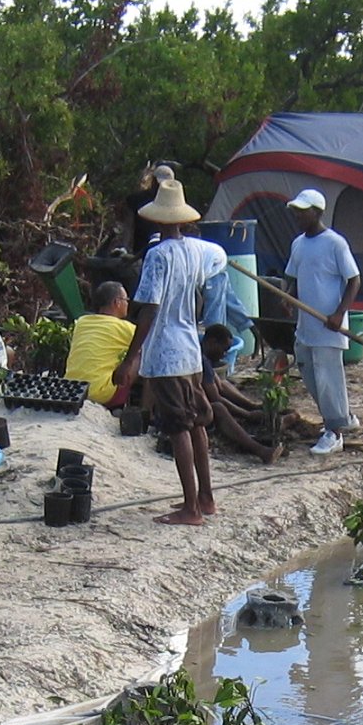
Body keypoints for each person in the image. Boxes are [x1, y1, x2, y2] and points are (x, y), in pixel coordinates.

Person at [116, 176, 225, 525]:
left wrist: (130, 357)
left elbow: (149, 309)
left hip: (167, 354)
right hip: (190, 348)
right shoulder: (195, 249)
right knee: (196, 426)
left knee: (178, 427)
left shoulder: (157, 256)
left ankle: (191, 508)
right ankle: (206, 498)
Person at [283, 189, 361, 457]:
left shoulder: (335, 243)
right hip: (306, 325)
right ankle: (343, 417)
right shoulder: (298, 244)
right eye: (296, 211)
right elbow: (292, 276)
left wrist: (339, 313)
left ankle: (334, 431)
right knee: (307, 370)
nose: (297, 216)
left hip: (329, 324)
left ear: (317, 212)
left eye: (302, 211)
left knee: (328, 378)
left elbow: (354, 280)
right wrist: (288, 296)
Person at [199, 325, 276, 462]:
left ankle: (252, 406)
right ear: (212, 342)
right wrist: (247, 415)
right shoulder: (201, 361)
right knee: (218, 408)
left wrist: (250, 406)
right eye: (224, 350)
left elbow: (220, 387)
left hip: (197, 400)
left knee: (223, 383)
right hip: (188, 408)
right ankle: (259, 450)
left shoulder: (205, 357)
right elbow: (215, 397)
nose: (224, 355)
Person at [65, 281, 136, 408]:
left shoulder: (82, 322)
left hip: (71, 389)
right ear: (117, 302)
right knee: (142, 354)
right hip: (99, 393)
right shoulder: (124, 328)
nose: (127, 303)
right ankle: (141, 406)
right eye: (126, 299)